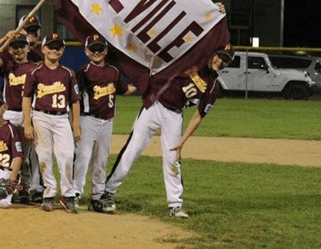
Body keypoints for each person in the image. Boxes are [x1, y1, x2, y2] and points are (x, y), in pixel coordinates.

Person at [99, 44, 235, 217]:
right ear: (212, 53)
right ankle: (108, 192)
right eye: (219, 56)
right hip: (154, 106)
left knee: (173, 159)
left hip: (174, 116)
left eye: (225, 60)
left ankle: (175, 204)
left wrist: (182, 142)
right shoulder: (194, 59)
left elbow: (199, 115)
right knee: (131, 150)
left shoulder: (213, 85)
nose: (220, 61)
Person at [72, 34, 137, 212]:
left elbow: (124, 89)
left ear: (106, 51)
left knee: (101, 160)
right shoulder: (83, 72)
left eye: (100, 49)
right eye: (93, 49)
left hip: (107, 122)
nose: (97, 52)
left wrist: (143, 81)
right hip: (88, 120)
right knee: (83, 158)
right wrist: (75, 123)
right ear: (86, 51)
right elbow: (74, 99)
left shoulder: (113, 72)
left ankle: (97, 196)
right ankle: (75, 194)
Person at [22, 32, 81, 213]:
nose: (54, 50)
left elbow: (75, 101)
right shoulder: (35, 72)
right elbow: (26, 97)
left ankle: (68, 194)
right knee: (44, 157)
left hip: (62, 118)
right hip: (40, 117)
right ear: (43, 49)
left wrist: (76, 125)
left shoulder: (68, 73)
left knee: (67, 156)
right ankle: (48, 193)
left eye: (58, 47)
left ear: (62, 51)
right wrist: (27, 123)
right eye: (51, 47)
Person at [0, 32, 41, 204]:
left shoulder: (34, 68)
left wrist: (29, 120)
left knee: (28, 154)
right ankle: (12, 186)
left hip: (27, 114)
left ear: (28, 48)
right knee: (9, 153)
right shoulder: (8, 66)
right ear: (10, 49)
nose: (18, 50)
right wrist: (6, 38)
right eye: (14, 47)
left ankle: (27, 187)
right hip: (8, 113)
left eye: (22, 46)